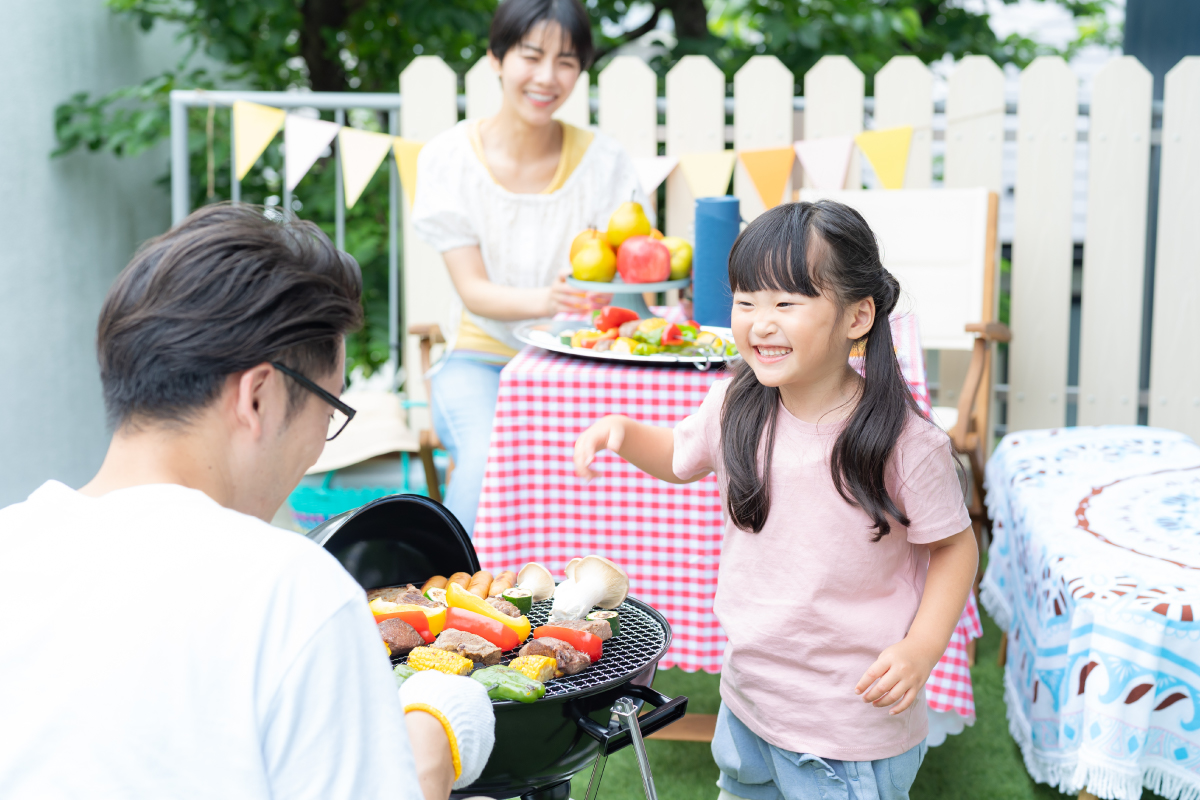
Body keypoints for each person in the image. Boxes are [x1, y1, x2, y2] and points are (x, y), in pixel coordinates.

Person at [0, 205, 494, 800]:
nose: (317, 448)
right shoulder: (292, 591)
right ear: (258, 396)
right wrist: (432, 750)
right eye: (329, 412)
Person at [573, 201, 978, 800]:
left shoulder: (905, 444)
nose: (761, 323)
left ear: (858, 316)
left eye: (786, 304)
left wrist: (922, 648)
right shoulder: (736, 404)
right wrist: (623, 432)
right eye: (747, 301)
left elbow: (954, 548)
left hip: (848, 723)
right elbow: (678, 455)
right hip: (750, 701)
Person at [412, 0, 651, 535]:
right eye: (531, 55)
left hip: (574, 363)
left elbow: (629, 280)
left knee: (604, 471)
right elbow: (474, 291)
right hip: (479, 358)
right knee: (485, 460)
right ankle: (458, 580)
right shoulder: (449, 158)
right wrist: (549, 299)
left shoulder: (605, 162)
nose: (547, 77)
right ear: (496, 58)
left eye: (565, 61)